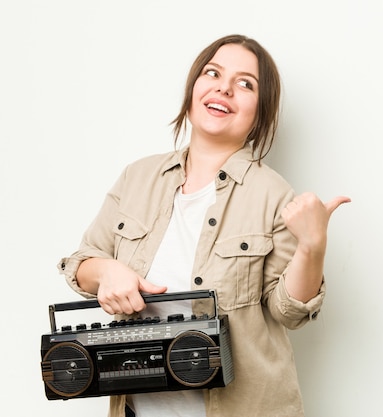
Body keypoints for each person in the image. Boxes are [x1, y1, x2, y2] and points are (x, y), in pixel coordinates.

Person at [57, 34, 350, 417]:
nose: (224, 88)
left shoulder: (274, 194)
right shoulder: (137, 177)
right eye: (213, 73)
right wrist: (108, 272)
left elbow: (287, 312)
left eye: (245, 83)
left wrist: (313, 245)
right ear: (194, 88)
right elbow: (82, 263)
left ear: (260, 112)